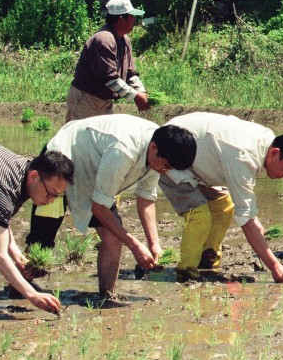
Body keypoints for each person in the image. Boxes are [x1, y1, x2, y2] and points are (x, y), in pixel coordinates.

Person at [27, 116, 196, 300]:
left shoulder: (158, 153)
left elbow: (146, 198)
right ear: (154, 148)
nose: (165, 171)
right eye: (165, 166)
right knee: (42, 237)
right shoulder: (124, 150)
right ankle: (20, 286)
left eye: (169, 168)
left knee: (114, 237)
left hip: (95, 174)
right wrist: (135, 245)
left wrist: (154, 243)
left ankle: (107, 296)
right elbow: (99, 207)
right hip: (63, 159)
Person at [160, 113, 283, 282]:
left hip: (200, 161)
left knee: (224, 207)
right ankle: (187, 272)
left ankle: (206, 261)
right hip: (169, 154)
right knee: (199, 215)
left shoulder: (266, 140)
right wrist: (274, 265)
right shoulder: (243, 156)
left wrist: (253, 216)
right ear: (275, 153)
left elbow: (244, 202)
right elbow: (245, 217)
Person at [0, 148, 74, 313]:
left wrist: (19, 257)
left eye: (57, 196)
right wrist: (32, 294)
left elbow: (1, 222)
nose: (51, 201)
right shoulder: (6, 187)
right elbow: (0, 254)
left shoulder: (22, 174)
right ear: (34, 177)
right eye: (50, 194)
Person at [67, 0, 150, 122]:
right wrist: (135, 96)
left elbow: (130, 73)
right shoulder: (103, 40)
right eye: (132, 16)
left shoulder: (124, 39)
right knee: (81, 138)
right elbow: (110, 79)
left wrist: (141, 92)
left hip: (104, 100)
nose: (134, 20)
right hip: (86, 99)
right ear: (122, 19)